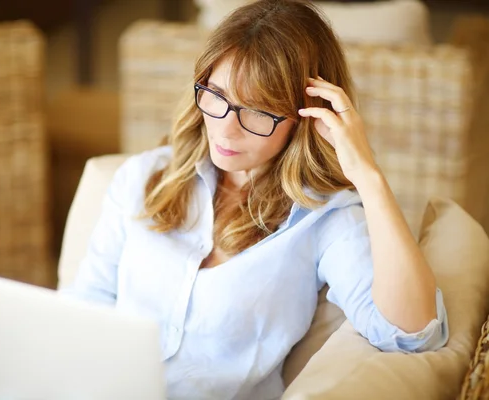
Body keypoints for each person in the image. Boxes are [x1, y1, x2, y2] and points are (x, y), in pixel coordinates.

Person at [60, 0, 449, 398]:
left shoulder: (323, 219)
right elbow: (86, 304)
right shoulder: (144, 177)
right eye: (216, 95)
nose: (227, 130)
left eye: (258, 112)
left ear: (308, 116)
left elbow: (411, 333)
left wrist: (368, 176)